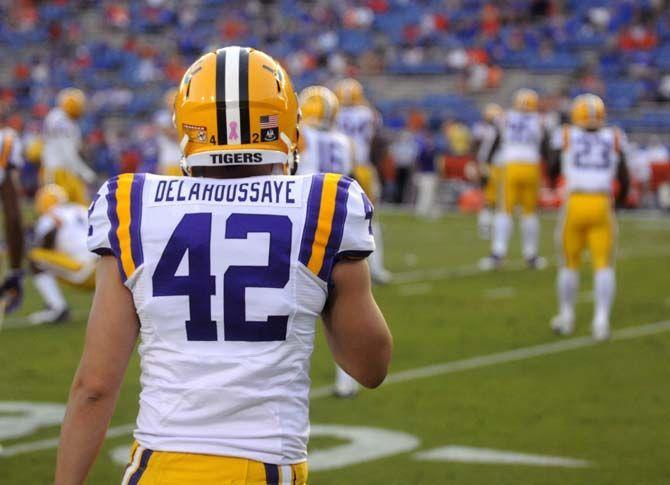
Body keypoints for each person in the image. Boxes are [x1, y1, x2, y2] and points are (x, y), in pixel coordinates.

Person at [55, 46, 392, 485]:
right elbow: (370, 367)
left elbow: (94, 388)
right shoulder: (324, 204)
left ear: (186, 126)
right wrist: (325, 278)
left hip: (154, 466)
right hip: (263, 467)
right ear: (286, 125)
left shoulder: (132, 203)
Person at [297, 85, 360, 399]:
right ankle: (347, 380)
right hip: (341, 218)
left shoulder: (299, 136)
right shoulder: (344, 141)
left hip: (308, 221)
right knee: (344, 306)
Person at [549, 94, 629, 341]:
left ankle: (566, 316)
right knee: (603, 264)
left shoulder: (566, 134)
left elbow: (552, 167)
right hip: (602, 203)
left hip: (575, 202)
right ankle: (601, 320)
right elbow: (624, 177)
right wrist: (620, 203)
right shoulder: (614, 136)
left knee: (569, 263)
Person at [480, 89, 549, 270]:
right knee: (529, 212)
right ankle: (531, 255)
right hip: (531, 167)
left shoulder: (505, 117)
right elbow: (545, 145)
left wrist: (485, 162)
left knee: (505, 210)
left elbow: (494, 137)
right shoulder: (541, 120)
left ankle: (498, 254)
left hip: (511, 166)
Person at [334, 78, 391, 283]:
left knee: (336, 219)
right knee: (371, 220)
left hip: (338, 170)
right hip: (363, 168)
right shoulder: (366, 113)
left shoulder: (334, 114)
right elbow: (376, 122)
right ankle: (376, 268)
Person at [28, 184, 97, 325]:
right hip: (106, 268)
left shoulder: (50, 217)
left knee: (35, 257)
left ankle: (57, 308)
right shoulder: (81, 209)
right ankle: (99, 298)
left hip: (83, 271)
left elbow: (43, 245)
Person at [42, 88, 95, 205]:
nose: (81, 108)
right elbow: (67, 152)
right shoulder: (61, 120)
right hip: (61, 170)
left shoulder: (58, 117)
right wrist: (85, 172)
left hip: (58, 168)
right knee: (79, 206)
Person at [0, 109, 25, 314]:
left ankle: (15, 276)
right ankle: (15, 276)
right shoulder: (8, 137)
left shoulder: (7, 138)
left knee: (14, 221)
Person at [472, 103, 503, 238]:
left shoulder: (490, 129)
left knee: (493, 200)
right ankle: (486, 226)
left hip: (493, 165)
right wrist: (483, 165)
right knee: (492, 200)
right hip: (492, 166)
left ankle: (489, 226)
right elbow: (486, 151)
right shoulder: (492, 130)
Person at [153, 88, 183, 176]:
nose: (172, 103)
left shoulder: (184, 115)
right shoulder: (161, 117)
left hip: (183, 161)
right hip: (168, 161)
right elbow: (173, 135)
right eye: (170, 100)